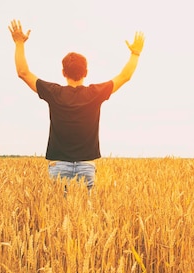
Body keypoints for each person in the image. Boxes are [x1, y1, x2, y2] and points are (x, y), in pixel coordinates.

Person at [8, 19, 144, 193]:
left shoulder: (54, 92)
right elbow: (125, 76)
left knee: (57, 217)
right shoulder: (95, 93)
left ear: (63, 72)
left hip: (58, 168)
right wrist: (135, 54)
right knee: (84, 218)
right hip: (86, 167)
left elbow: (23, 72)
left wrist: (19, 43)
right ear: (86, 72)